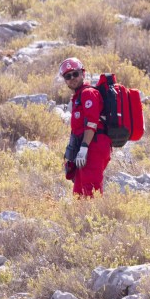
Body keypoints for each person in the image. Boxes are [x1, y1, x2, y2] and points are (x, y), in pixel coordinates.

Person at [59, 58, 112, 198]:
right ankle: (80, 218)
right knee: (78, 192)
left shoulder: (88, 93)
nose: (72, 78)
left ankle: (95, 218)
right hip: (85, 147)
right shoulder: (77, 97)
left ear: (83, 73)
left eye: (75, 74)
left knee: (90, 191)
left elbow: (92, 122)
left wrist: (84, 148)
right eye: (68, 76)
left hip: (93, 145)